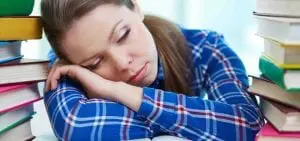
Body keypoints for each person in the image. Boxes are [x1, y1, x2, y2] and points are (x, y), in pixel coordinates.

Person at [41, 0, 264, 140]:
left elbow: (248, 126)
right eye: (95, 64)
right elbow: (75, 124)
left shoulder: (206, 49)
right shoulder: (68, 66)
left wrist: (118, 90)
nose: (121, 63)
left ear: (136, 7)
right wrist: (197, 123)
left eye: (123, 34)